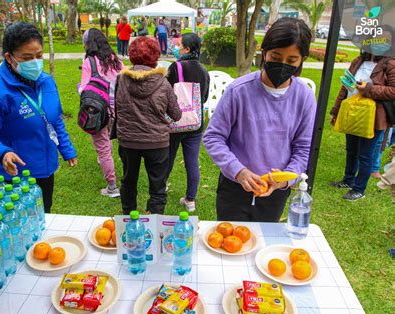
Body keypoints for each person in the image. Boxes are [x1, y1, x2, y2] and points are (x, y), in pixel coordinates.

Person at [203, 17, 316, 222]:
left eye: (292, 60)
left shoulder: (305, 97)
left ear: (302, 60)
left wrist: (285, 179)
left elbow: (304, 148)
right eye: (276, 56)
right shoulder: (239, 91)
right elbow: (213, 137)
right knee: (230, 244)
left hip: (276, 193)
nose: (283, 64)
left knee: (264, 243)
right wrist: (239, 171)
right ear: (264, 53)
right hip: (234, 188)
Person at [0, 22, 77, 213]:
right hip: (16, 174)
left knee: (44, 213)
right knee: (20, 223)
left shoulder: (47, 82)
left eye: (38, 55)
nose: (35, 62)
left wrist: (66, 149)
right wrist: (2, 152)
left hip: (46, 169)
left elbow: (54, 120)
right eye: (26, 57)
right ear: (9, 58)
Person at [115, 36, 182, 215]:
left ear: (132, 55)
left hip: (128, 140)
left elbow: (117, 106)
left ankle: (128, 218)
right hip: (157, 142)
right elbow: (176, 115)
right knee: (158, 186)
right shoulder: (164, 83)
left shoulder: (121, 80)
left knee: (128, 180)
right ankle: (154, 221)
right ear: (155, 56)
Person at [330, 26, 394, 201]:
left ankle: (359, 189)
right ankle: (347, 180)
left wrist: (369, 89)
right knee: (351, 150)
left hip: (373, 118)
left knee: (365, 154)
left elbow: (393, 91)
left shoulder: (390, 64)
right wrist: (335, 111)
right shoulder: (358, 60)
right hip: (352, 112)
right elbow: (345, 87)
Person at [166, 33, 210, 212]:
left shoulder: (175, 67)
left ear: (187, 49)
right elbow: (204, 98)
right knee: (192, 161)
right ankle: (190, 200)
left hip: (175, 122)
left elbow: (166, 93)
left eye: (180, 45)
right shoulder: (204, 71)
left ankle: (162, 187)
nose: (177, 47)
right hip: (195, 124)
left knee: (167, 157)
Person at [78, 28, 123, 198]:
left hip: (99, 110)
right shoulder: (114, 59)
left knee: (102, 148)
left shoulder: (89, 61)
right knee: (108, 140)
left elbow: (83, 89)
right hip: (118, 109)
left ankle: (112, 187)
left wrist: (79, 88)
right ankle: (108, 162)